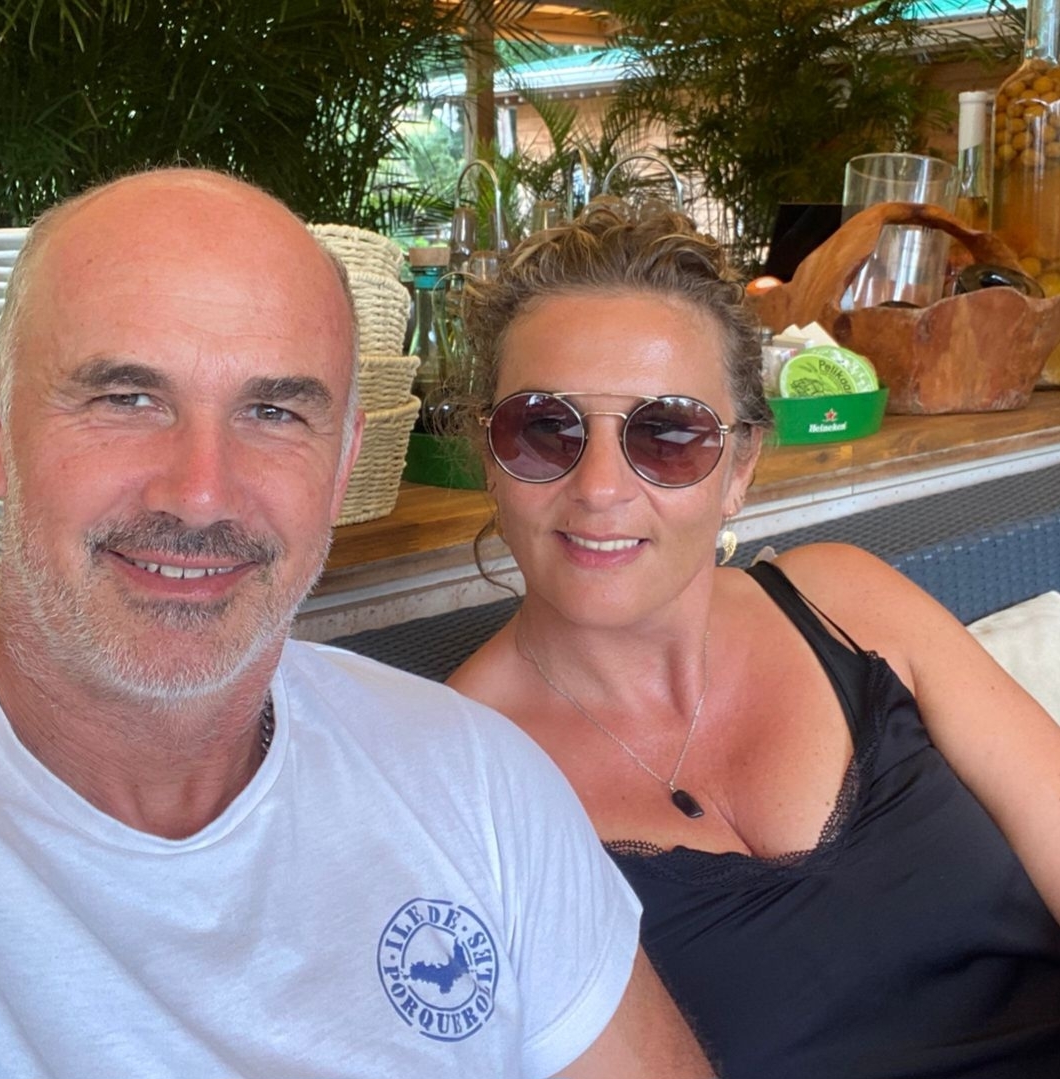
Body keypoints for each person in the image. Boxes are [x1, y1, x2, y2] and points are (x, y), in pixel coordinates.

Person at [0, 170, 710, 1078]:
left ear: (343, 461)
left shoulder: (472, 779)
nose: (199, 491)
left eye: (274, 410)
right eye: (125, 395)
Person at [446, 199, 1060, 1078]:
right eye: (545, 428)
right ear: (488, 455)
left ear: (739, 467)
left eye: (668, 433)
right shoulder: (456, 774)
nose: (601, 488)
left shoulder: (847, 602)